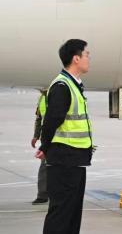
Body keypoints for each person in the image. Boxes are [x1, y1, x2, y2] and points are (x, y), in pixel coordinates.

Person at [36, 39, 93, 234]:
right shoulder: (63, 86)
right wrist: (44, 147)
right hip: (64, 160)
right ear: (76, 58)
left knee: (72, 214)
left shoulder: (73, 84)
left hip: (74, 159)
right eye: (86, 55)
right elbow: (52, 119)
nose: (89, 58)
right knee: (61, 214)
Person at [31, 89, 49, 205]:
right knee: (45, 166)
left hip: (58, 138)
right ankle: (42, 195)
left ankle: (44, 195)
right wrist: (36, 135)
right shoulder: (42, 98)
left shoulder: (58, 95)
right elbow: (39, 118)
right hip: (46, 138)